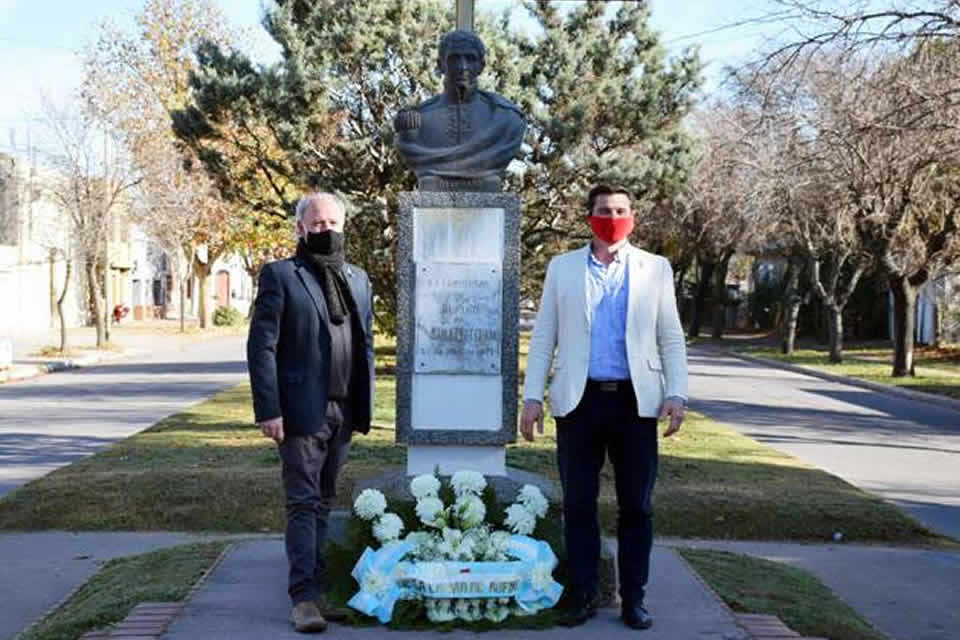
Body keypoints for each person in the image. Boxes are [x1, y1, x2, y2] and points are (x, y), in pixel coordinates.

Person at [519, 184, 688, 631]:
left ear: (633, 215)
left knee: (638, 507)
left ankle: (634, 598)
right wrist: (532, 397)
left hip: (636, 403)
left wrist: (677, 393)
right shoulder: (564, 268)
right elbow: (544, 338)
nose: (611, 217)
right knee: (578, 504)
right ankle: (582, 594)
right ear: (589, 215)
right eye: (603, 210)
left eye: (620, 210)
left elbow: (670, 336)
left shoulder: (656, 269)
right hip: (579, 402)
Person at [247, 192, 375, 633]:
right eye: (317, 224)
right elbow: (262, 347)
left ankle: (319, 593)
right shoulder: (281, 276)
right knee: (302, 503)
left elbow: (365, 346)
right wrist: (269, 408)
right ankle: (302, 599)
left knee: (323, 503)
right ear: (301, 227)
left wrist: (364, 406)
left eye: (333, 223)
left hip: (343, 411)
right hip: (300, 411)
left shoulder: (358, 279)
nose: (326, 230)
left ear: (344, 225)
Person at [394, 29, 526, 192]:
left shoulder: (507, 120)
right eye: (454, 59)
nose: (463, 67)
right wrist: (409, 133)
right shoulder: (418, 120)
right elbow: (408, 147)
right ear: (440, 65)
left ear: (481, 66)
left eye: (470, 59)